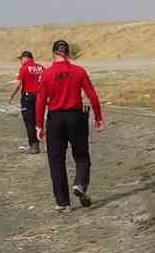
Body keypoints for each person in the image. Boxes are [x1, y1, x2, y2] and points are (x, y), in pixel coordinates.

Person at [34, 40, 104, 212]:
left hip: (55, 119)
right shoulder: (79, 71)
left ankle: (62, 202)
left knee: (56, 161)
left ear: (53, 53)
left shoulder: (47, 74)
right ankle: (80, 183)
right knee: (81, 155)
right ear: (68, 53)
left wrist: (38, 125)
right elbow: (92, 95)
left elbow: (40, 101)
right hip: (76, 117)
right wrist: (98, 117)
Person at [8, 50, 45, 155]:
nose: (20, 61)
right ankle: (39, 143)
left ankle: (34, 146)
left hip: (28, 97)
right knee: (38, 120)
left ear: (26, 58)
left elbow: (18, 84)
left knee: (29, 122)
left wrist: (11, 96)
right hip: (40, 97)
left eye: (21, 59)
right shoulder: (41, 68)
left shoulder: (24, 68)